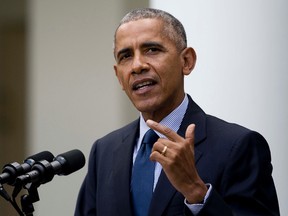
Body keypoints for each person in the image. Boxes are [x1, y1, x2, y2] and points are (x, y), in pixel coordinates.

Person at [74, 8, 279, 216]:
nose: (137, 66)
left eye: (152, 50)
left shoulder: (238, 146)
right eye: (126, 56)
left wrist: (196, 191)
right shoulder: (104, 151)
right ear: (119, 77)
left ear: (186, 61)